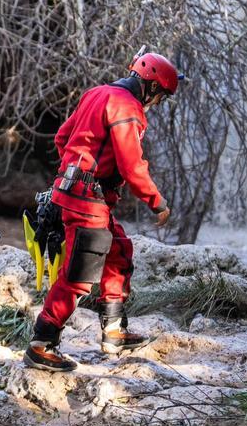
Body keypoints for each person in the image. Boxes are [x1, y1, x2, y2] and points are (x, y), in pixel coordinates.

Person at [24, 52, 184, 372]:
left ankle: (113, 331)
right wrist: (156, 202)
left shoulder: (97, 93)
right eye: (161, 95)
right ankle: (42, 343)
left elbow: (62, 137)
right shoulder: (128, 107)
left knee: (119, 252)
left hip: (76, 193)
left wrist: (75, 170)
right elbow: (131, 163)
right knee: (79, 274)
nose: (158, 102)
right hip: (88, 201)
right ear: (151, 86)